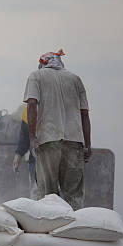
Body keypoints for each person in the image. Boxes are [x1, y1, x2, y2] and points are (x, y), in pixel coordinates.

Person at [23, 49, 91, 210]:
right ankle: (72, 230)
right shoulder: (75, 79)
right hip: (74, 143)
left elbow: (32, 104)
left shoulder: (36, 76)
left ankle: (48, 232)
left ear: (42, 63)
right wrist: (87, 145)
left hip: (48, 141)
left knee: (47, 196)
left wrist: (32, 138)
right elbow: (84, 114)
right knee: (73, 196)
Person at [12, 105, 37, 198]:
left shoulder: (53, 107)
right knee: (36, 192)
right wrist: (18, 156)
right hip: (36, 160)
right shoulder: (28, 110)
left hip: (52, 159)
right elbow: (24, 137)